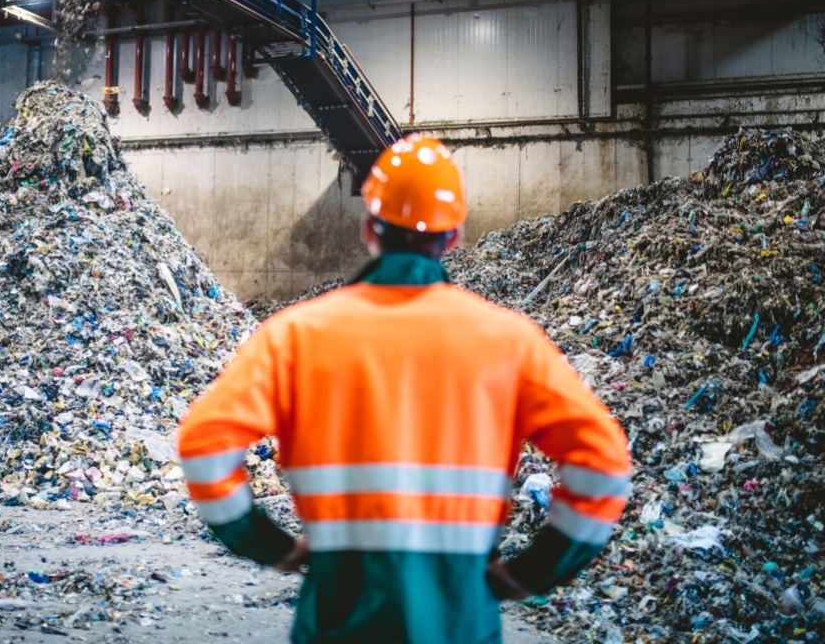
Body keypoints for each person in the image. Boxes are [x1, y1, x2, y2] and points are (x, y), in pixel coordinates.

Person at [177, 135, 632, 644]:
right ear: (454, 236)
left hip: (336, 619)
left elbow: (204, 443)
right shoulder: (510, 341)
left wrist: (267, 543)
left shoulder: (296, 335)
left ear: (369, 226)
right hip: (459, 621)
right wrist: (534, 571)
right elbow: (605, 465)